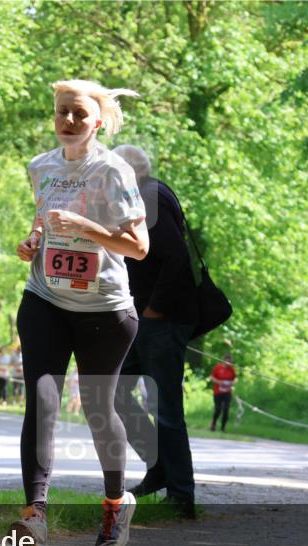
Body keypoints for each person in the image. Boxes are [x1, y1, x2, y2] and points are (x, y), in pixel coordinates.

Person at [8, 79, 148, 546]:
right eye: (62, 112)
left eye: (79, 115)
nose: (68, 121)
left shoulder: (113, 171)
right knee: (41, 402)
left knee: (97, 410)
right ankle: (35, 516)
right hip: (45, 299)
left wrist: (87, 228)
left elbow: (139, 247)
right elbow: (42, 222)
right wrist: (30, 243)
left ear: (99, 122)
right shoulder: (40, 167)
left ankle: (114, 504)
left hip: (104, 310)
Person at [109, 144, 200, 517]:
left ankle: (181, 494)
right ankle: (160, 467)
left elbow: (177, 258)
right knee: (113, 391)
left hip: (162, 318)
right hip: (143, 317)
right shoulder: (143, 194)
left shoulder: (149, 197)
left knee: (163, 405)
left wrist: (154, 309)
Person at [209, 355, 237, 432]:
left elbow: (235, 379)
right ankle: (213, 423)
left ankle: (223, 427)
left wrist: (231, 383)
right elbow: (211, 377)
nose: (229, 363)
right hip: (218, 391)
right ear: (224, 360)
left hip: (227, 392)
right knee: (218, 409)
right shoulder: (218, 367)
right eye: (228, 361)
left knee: (226, 409)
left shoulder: (232, 369)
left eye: (231, 362)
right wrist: (219, 382)